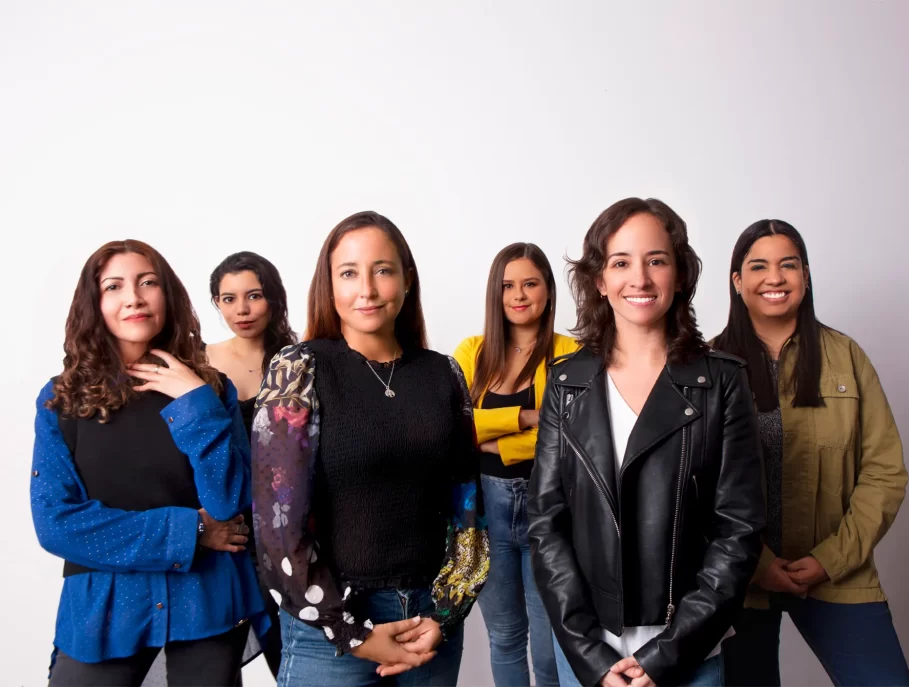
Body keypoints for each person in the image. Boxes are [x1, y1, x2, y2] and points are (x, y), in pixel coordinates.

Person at [528, 198, 764, 687]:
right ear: (599, 280)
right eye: (620, 263)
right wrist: (589, 654)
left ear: (679, 275)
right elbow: (547, 524)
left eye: (656, 260)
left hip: (691, 651)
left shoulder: (722, 383)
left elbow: (738, 530)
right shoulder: (565, 383)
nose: (639, 278)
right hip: (592, 655)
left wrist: (669, 654)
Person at [251, 211, 488, 686]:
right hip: (329, 627)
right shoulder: (300, 369)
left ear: (406, 279)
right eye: (349, 273)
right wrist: (349, 631)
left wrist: (446, 614)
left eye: (382, 269)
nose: (367, 289)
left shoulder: (445, 374)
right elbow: (276, 526)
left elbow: (467, 509)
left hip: (430, 623)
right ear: (329, 285)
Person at [31, 239, 269, 687]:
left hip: (207, 605)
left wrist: (196, 401)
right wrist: (191, 531)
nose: (134, 297)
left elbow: (232, 504)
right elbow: (56, 524)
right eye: (114, 286)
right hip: (104, 612)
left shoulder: (210, 389)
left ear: (168, 295)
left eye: (147, 283)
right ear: (94, 303)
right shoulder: (60, 400)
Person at [714, 220, 909, 687]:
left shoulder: (847, 357)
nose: (775, 278)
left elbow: (885, 472)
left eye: (789, 265)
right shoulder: (710, 366)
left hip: (836, 572)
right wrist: (759, 565)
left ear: (806, 275)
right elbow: (696, 484)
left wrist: (830, 559)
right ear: (738, 281)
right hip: (738, 580)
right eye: (758, 266)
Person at [453, 243, 576, 686]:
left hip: (552, 511)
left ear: (547, 290)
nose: (518, 294)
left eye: (530, 283)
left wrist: (495, 444)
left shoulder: (571, 352)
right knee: (504, 636)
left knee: (550, 641)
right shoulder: (472, 351)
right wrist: (526, 418)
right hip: (487, 513)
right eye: (507, 285)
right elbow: (452, 427)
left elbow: (570, 437)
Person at [208, 251, 298, 678]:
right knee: (219, 653)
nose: (240, 310)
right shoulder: (198, 360)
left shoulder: (301, 359)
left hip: (293, 519)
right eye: (228, 299)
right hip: (231, 524)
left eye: (253, 296)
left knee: (298, 646)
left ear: (274, 299)